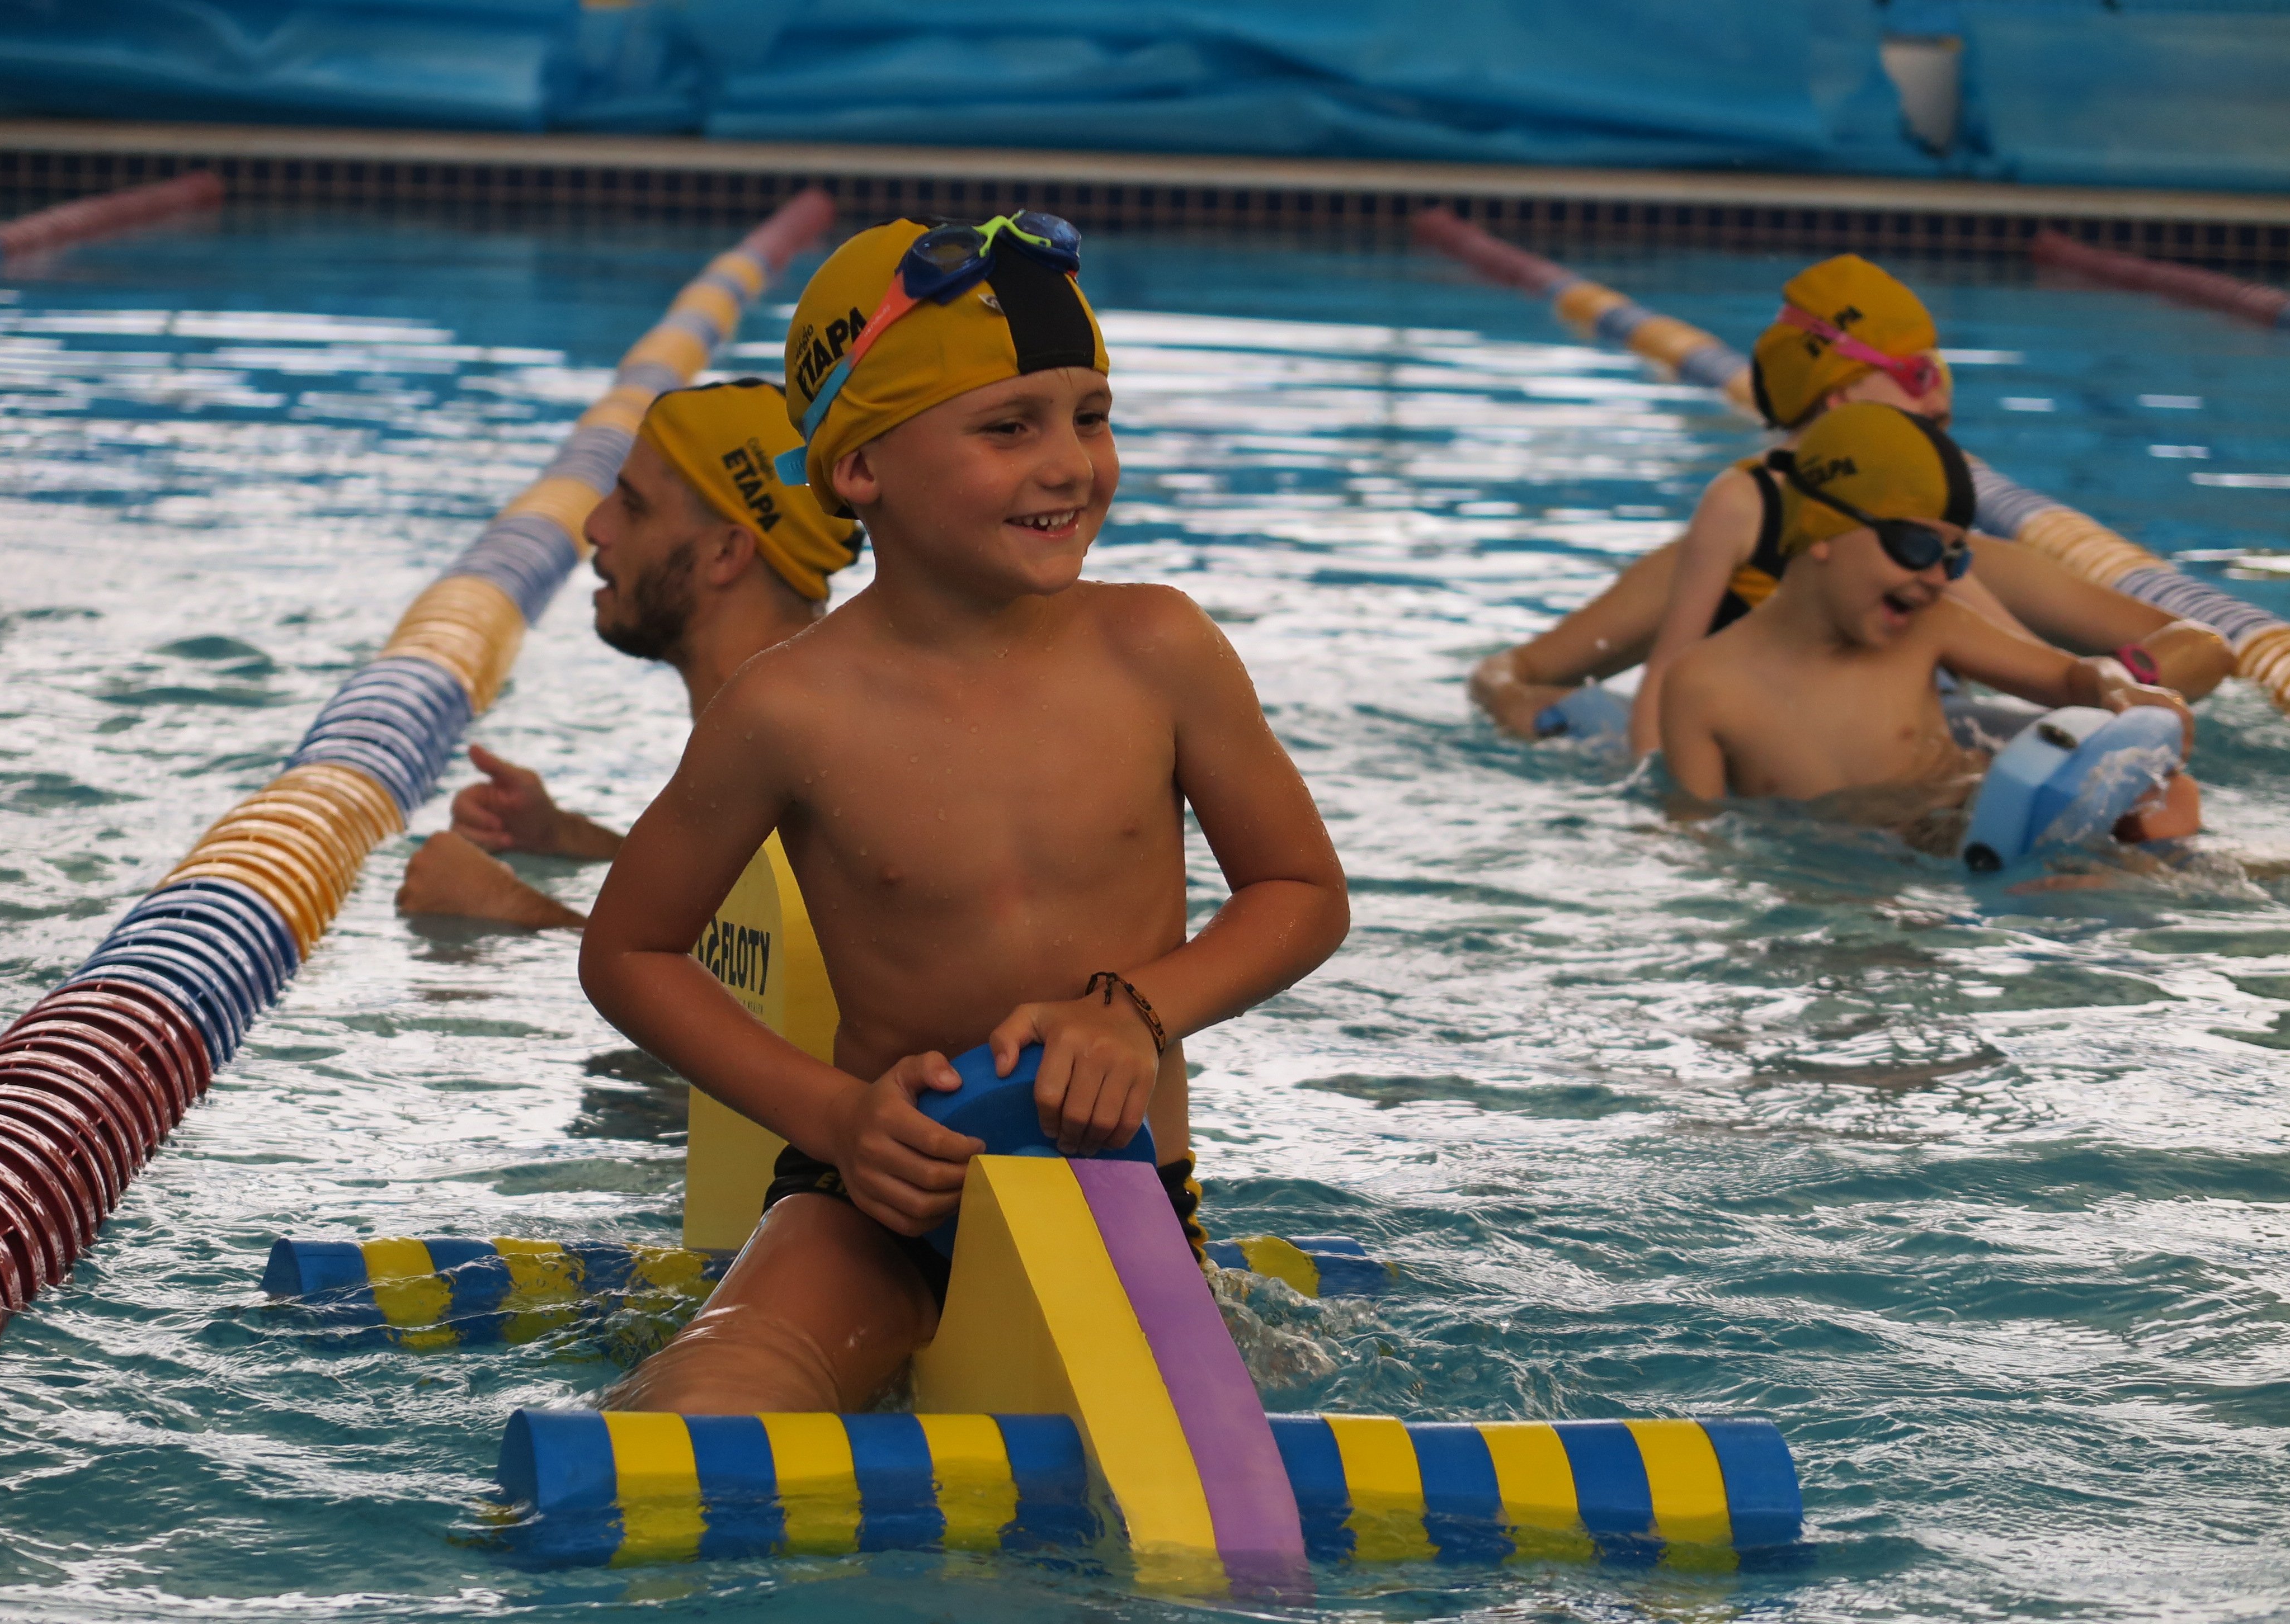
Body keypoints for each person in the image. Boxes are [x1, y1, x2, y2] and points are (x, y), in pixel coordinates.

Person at [577, 214, 1352, 1414]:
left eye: (1090, 417)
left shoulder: (1159, 650)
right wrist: (835, 1117)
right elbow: (628, 951)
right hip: (878, 1201)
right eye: (1009, 427)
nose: (1068, 464)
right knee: (695, 1408)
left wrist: (1137, 1013)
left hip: (1116, 1192)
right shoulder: (791, 707)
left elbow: (1302, 894)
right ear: (860, 467)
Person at [1472, 255, 2234, 753]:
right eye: (1913, 375)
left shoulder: (1947, 561)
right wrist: (1548, 720)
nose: (1940, 389)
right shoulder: (1729, 537)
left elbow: (2207, 642)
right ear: (1838, 400)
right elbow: (1511, 674)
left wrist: (2108, 684)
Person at [393, 379, 862, 928]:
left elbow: (765, 1000)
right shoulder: (787, 713)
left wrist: (516, 913)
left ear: (726, 553)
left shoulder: (801, 755)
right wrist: (562, 837)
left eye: (634, 508)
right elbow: (732, 906)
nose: (596, 526)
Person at [1658, 402, 2199, 851]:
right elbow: (1697, 846)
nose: (1939, 577)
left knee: (2164, 813)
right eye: (1916, 546)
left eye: (1955, 557)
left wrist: (2117, 685)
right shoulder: (1702, 686)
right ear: (1823, 527)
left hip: (1974, 827)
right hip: (1839, 881)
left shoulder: (1931, 627)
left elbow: (2069, 678)